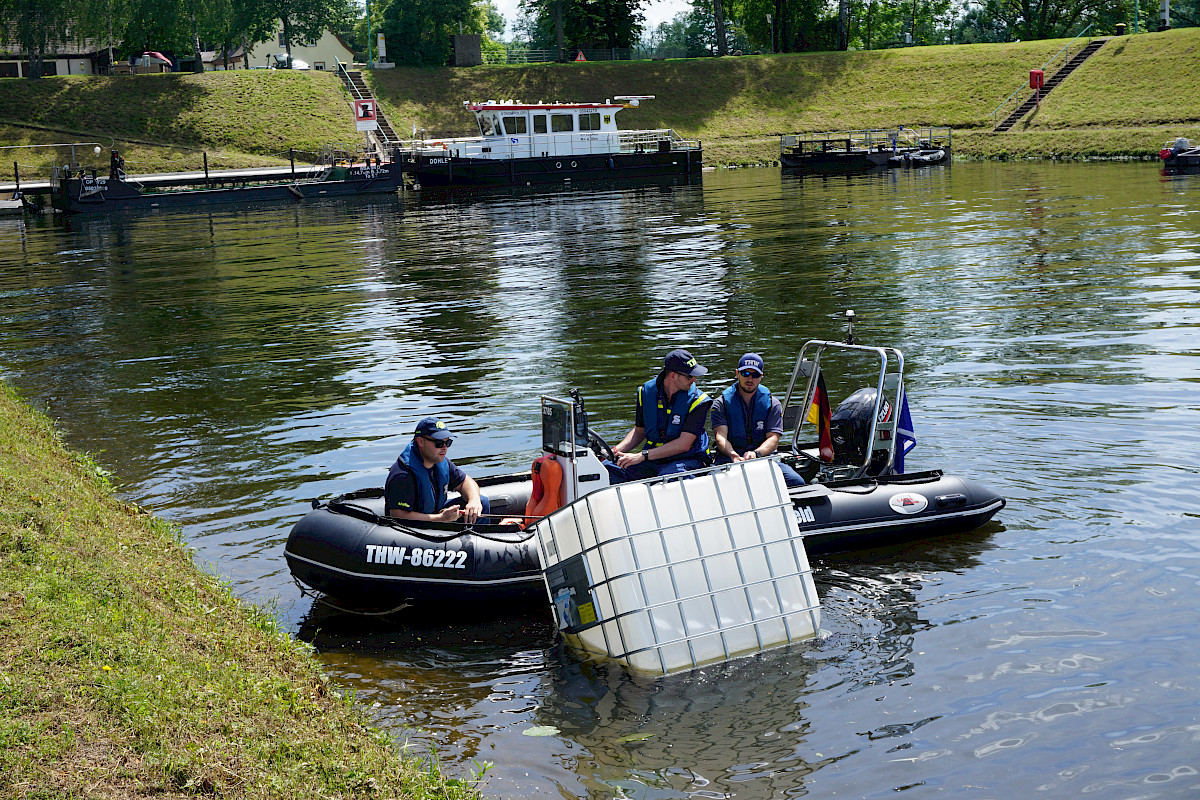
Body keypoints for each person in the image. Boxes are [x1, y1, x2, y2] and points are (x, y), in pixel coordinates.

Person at [606, 349, 713, 483]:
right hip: (652, 458)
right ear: (673, 375)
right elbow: (640, 431)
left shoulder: (699, 401)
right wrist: (613, 452)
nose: (694, 379)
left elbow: (684, 445)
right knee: (605, 470)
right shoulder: (645, 393)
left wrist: (641, 456)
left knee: (668, 479)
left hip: (686, 458)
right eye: (689, 376)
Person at [711, 353, 806, 488]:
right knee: (712, 484)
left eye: (755, 375)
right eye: (745, 373)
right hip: (728, 459)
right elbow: (720, 437)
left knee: (796, 482)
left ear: (761, 377)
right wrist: (732, 455)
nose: (750, 378)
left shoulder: (773, 404)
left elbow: (773, 439)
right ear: (737, 373)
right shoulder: (720, 404)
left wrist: (756, 453)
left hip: (762, 458)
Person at [384, 417, 490, 523]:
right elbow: (398, 515)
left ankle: (477, 538)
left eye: (447, 442)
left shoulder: (441, 463)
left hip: (436, 514)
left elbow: (465, 482)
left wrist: (474, 500)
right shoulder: (403, 475)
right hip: (414, 529)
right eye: (439, 443)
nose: (444, 447)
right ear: (421, 442)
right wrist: (440, 518)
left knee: (482, 502)